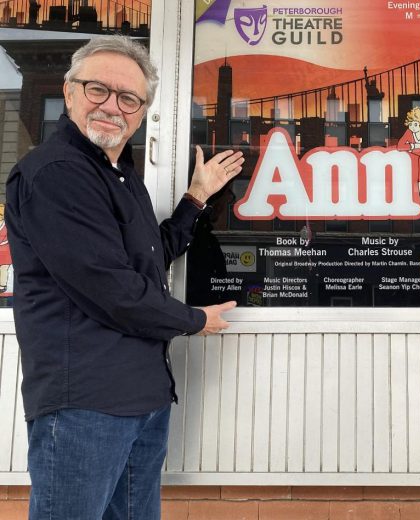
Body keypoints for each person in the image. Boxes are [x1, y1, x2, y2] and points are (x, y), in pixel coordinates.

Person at [6, 35, 244, 520]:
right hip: (86, 403)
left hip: (143, 397)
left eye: (129, 98)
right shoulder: (55, 174)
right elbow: (110, 288)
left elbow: (148, 262)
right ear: (70, 92)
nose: (112, 106)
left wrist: (196, 198)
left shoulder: (118, 175)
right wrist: (193, 319)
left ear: (141, 113)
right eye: (99, 89)